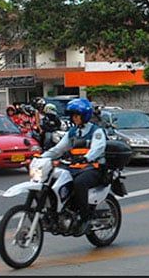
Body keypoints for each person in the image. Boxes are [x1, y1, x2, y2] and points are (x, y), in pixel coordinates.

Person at [41, 98, 107, 236]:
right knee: (54, 179)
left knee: (79, 183)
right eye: (73, 116)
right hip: (75, 167)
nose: (74, 118)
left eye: (77, 115)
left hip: (93, 168)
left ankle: (85, 218)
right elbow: (58, 149)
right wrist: (42, 157)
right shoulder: (72, 132)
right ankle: (60, 212)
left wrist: (86, 157)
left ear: (85, 116)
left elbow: (98, 148)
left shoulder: (96, 131)